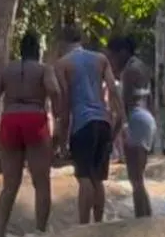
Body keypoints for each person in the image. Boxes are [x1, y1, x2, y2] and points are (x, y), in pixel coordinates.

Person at [0, 30, 63, 237]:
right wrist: (58, 117)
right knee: (41, 182)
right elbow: (55, 90)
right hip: (34, 118)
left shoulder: (6, 70)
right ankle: (40, 233)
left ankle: (0, 234)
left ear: (21, 51)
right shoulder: (43, 69)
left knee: (10, 184)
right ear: (38, 51)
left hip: (10, 120)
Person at [53, 25, 123, 224]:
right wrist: (119, 119)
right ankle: (99, 224)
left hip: (83, 124)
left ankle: (83, 227)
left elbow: (65, 104)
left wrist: (63, 140)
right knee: (98, 179)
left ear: (61, 43)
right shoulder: (100, 59)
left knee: (83, 177)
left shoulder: (62, 65)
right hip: (103, 122)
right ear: (80, 40)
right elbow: (113, 90)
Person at [107, 36, 157, 218]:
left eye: (112, 56)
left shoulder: (128, 72)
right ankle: (147, 218)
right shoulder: (143, 67)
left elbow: (123, 109)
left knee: (135, 180)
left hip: (136, 119)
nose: (111, 61)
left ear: (123, 52)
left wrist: (112, 137)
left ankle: (141, 222)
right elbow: (150, 100)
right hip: (148, 120)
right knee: (139, 180)